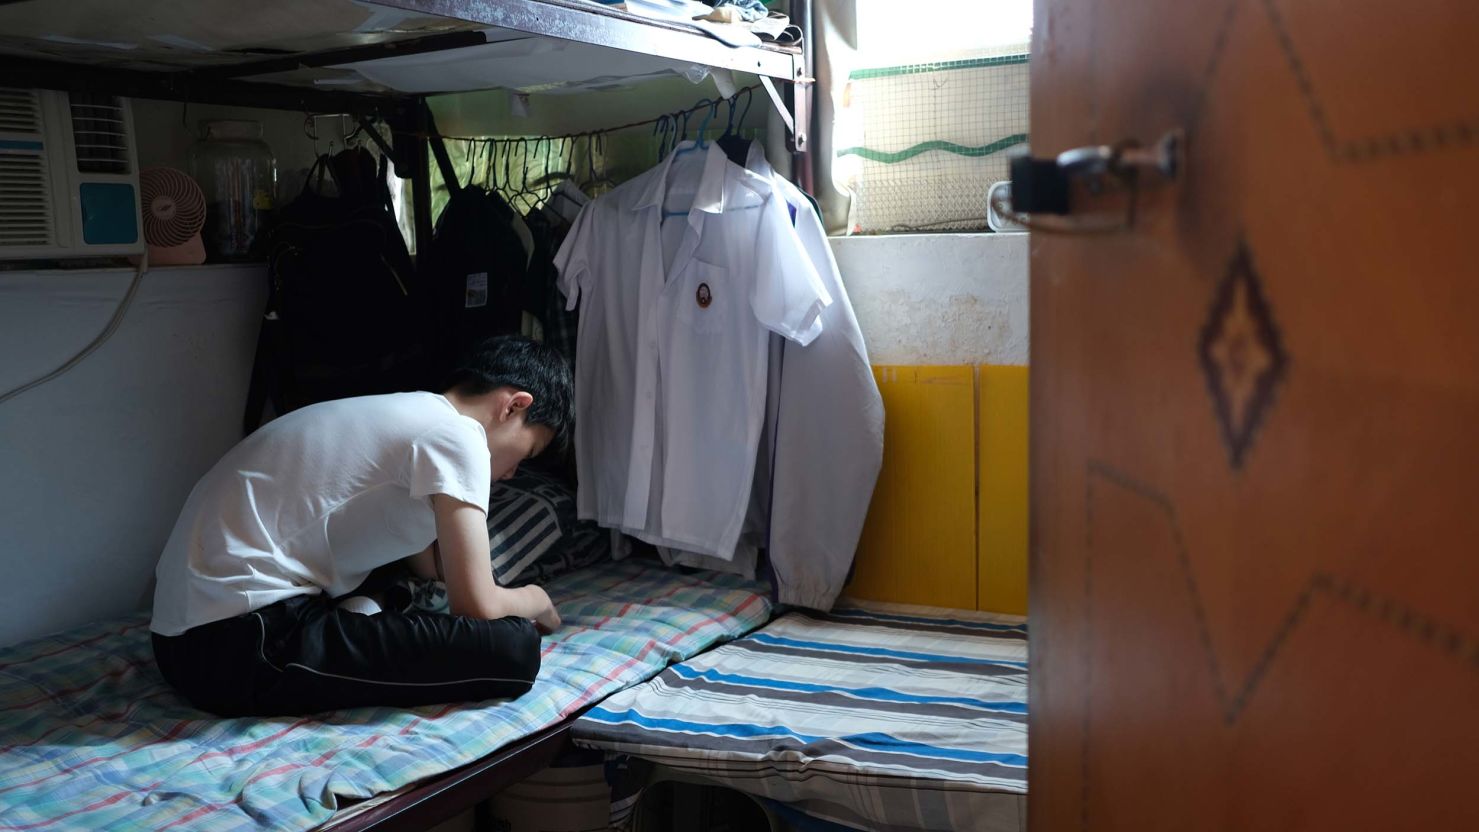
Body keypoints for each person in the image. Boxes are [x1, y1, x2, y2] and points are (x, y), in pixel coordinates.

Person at [150, 335, 572, 717]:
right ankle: (357, 621)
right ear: (514, 405)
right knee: (513, 648)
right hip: (240, 642)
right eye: (527, 451)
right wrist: (536, 600)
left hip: (191, 638)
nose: (515, 472)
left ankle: (358, 618)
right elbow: (476, 607)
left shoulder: (410, 415)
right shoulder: (460, 436)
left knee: (400, 590)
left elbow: (432, 568)